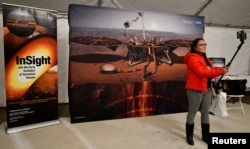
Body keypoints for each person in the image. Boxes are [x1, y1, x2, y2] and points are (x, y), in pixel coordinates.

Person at [184, 38, 229, 145]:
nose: (204, 46)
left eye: (205, 44)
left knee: (205, 112)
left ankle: (206, 136)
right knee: (192, 112)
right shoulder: (192, 58)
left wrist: (221, 69)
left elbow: (211, 71)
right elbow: (202, 72)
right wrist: (220, 71)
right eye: (201, 45)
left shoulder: (206, 59)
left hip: (207, 88)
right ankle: (189, 136)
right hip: (194, 89)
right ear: (195, 47)